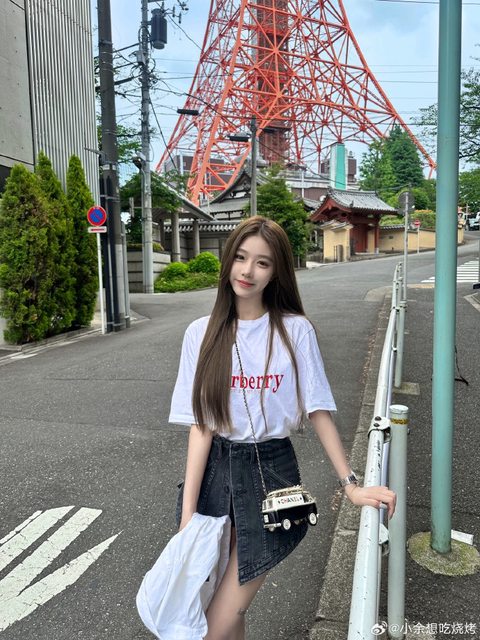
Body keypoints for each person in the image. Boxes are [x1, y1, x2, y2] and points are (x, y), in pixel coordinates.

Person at [169, 216, 396, 640]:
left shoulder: (294, 331)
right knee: (220, 606)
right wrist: (187, 518)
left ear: (276, 272)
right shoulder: (200, 334)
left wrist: (350, 485)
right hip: (216, 473)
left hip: (270, 474)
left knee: (219, 619)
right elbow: (201, 427)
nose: (247, 271)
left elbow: (318, 409)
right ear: (227, 260)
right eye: (240, 258)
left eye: (262, 263)